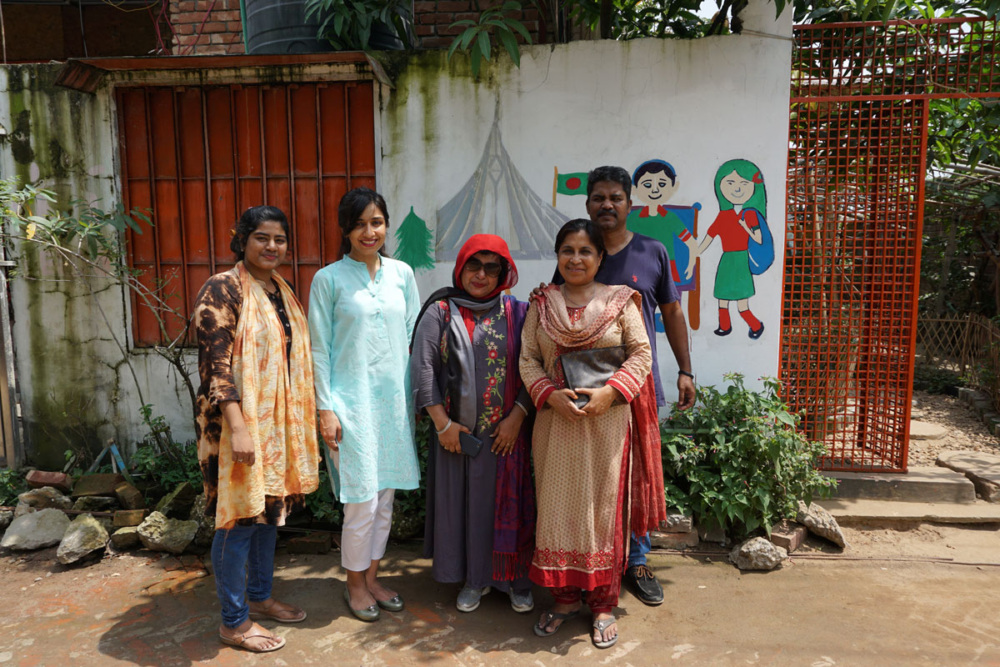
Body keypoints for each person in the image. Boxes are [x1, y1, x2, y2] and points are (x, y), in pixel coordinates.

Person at [547, 165, 695, 606]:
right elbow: (557, 315)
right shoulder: (580, 252)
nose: (606, 205)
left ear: (630, 204)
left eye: (615, 198)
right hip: (582, 388)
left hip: (636, 384)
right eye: (598, 198)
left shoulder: (652, 251)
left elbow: (671, 313)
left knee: (637, 473)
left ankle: (638, 561)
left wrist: (686, 370)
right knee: (597, 477)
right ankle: (594, 559)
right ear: (587, 204)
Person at [520, 219, 666, 649]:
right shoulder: (541, 303)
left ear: (601, 257)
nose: (576, 259)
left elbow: (641, 353)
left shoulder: (622, 302)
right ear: (558, 256)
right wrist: (548, 395)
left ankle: (603, 602)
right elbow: (528, 358)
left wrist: (610, 394)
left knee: (604, 510)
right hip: (555, 425)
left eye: (586, 251)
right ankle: (564, 599)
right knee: (558, 508)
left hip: (608, 425)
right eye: (567, 250)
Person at [193, 205, 320, 653]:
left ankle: (260, 597)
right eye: (262, 237)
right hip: (235, 426)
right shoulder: (223, 288)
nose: (272, 246)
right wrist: (239, 427)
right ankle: (233, 621)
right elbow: (215, 367)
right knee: (238, 520)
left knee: (269, 515)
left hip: (275, 425)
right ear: (243, 240)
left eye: (280, 239)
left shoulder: (281, 290)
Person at [309, 187, 421, 623]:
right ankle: (354, 586)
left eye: (376, 222)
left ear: (386, 225)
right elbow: (319, 349)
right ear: (345, 229)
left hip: (392, 406)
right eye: (359, 224)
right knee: (361, 502)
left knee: (386, 500)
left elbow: (413, 335)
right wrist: (326, 409)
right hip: (349, 407)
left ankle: (373, 577)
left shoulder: (402, 274)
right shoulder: (328, 279)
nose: (369, 231)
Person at [410, 234, 536, 614]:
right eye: (473, 265)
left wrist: (517, 416)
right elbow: (424, 367)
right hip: (457, 438)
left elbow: (537, 366)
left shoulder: (520, 312)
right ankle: (474, 578)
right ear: (460, 267)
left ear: (504, 272)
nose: (481, 274)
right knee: (465, 509)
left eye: (491, 267)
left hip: (508, 438)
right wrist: (443, 425)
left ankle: (516, 580)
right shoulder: (441, 311)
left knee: (513, 506)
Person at [698, 159, 768, 339]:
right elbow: (710, 236)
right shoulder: (723, 215)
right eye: (730, 183)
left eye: (744, 183)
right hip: (727, 260)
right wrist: (697, 252)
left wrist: (746, 228)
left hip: (742, 260)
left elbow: (758, 238)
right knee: (722, 298)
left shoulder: (750, 214)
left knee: (742, 303)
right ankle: (724, 327)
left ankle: (756, 325)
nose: (737, 188)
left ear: (753, 187)